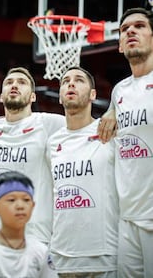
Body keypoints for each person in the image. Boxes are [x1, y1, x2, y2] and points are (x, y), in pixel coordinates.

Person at [0, 67, 65, 244]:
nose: (14, 85)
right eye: (9, 83)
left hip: (33, 235)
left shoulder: (48, 123)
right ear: (1, 96)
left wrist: (112, 112)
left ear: (33, 97)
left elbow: (85, 123)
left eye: (21, 83)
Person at [46, 66, 119, 276]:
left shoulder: (111, 133)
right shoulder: (52, 143)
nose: (71, 83)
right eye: (65, 81)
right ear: (60, 97)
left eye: (79, 80)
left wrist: (115, 109)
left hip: (103, 257)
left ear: (93, 95)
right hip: (61, 258)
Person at [104, 7, 153, 277]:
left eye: (140, 26)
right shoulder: (119, 90)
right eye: (125, 30)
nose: (131, 31)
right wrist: (111, 111)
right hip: (127, 217)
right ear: (121, 45)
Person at [0, 171, 57, 278]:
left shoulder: (41, 251)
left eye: (26, 200)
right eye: (11, 200)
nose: (20, 206)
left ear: (33, 205)